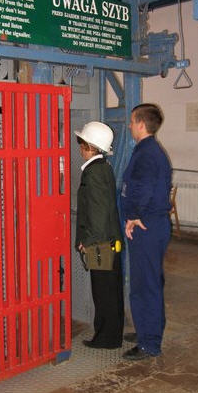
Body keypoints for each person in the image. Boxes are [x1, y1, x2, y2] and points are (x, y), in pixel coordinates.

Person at [121, 104, 172, 360]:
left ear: (141, 124)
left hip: (146, 226)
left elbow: (143, 188)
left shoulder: (147, 154)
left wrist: (133, 216)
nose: (129, 125)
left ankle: (149, 343)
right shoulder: (150, 151)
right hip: (153, 224)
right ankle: (148, 330)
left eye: (131, 121)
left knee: (144, 285)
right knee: (151, 281)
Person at [74, 121, 124, 349]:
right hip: (109, 241)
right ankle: (112, 334)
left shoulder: (93, 173)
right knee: (111, 290)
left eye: (81, 143)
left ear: (89, 146)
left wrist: (88, 242)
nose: (79, 147)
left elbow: (97, 211)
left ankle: (106, 338)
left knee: (103, 292)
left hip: (100, 244)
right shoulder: (104, 167)